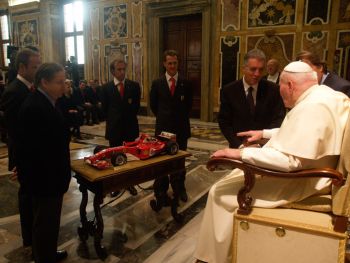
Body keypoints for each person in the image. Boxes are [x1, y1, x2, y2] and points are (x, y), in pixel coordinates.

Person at [194, 61, 350, 263]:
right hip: (315, 171)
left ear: (290, 86)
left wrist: (238, 154)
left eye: (281, 87)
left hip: (303, 183)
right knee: (232, 180)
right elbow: (301, 133)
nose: (279, 92)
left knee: (220, 191)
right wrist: (263, 133)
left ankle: (217, 257)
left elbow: (290, 161)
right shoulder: (327, 96)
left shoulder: (313, 107)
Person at [16, 63, 71, 262]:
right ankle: (44, 258)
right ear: (44, 82)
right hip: (44, 180)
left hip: (52, 177)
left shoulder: (49, 101)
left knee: (50, 223)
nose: (63, 86)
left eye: (64, 81)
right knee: (44, 224)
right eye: (59, 82)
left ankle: (47, 253)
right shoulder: (34, 107)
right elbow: (30, 150)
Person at [0, 48, 41, 251]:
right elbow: (15, 131)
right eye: (35, 67)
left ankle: (37, 239)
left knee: (35, 198)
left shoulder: (30, 88)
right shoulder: (14, 91)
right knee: (27, 199)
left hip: (34, 155)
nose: (38, 70)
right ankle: (31, 241)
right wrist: (22, 162)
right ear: (23, 67)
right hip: (26, 156)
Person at [218, 49, 285, 148]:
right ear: (244, 69)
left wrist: (261, 140)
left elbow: (278, 119)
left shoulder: (273, 90)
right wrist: (239, 145)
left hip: (265, 146)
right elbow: (224, 121)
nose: (257, 74)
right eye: (253, 69)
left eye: (261, 70)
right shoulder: (229, 90)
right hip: (238, 145)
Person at [150, 49, 193, 203]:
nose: (172, 66)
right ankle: (161, 190)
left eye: (175, 63)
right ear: (164, 64)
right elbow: (153, 105)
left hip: (181, 129)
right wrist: (165, 118)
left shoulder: (186, 83)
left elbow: (188, 105)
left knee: (179, 161)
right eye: (170, 63)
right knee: (162, 161)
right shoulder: (157, 83)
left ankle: (179, 188)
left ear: (177, 63)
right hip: (163, 130)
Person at [102, 58, 141, 196]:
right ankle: (116, 185)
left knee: (129, 157)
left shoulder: (134, 86)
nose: (122, 72)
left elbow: (136, 107)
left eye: (124, 69)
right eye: (119, 69)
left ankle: (130, 183)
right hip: (114, 128)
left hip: (130, 127)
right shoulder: (106, 88)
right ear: (112, 71)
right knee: (115, 157)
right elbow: (105, 108)